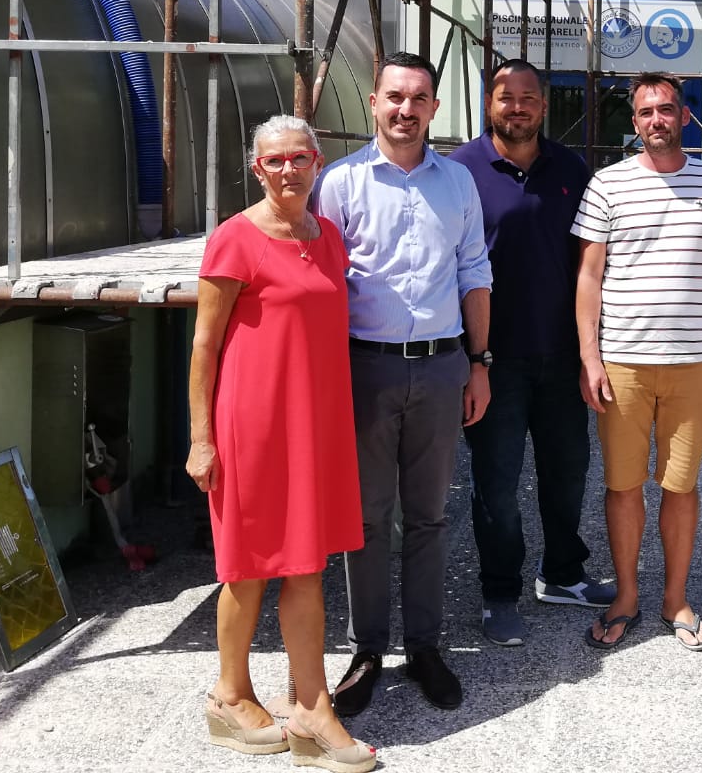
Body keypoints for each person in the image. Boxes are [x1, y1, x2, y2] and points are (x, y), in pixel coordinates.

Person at [186, 115, 374, 773]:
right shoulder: (234, 240)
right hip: (252, 426)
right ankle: (230, 696)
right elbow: (204, 346)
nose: (288, 169)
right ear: (257, 169)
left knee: (307, 564)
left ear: (317, 162)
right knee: (248, 565)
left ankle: (309, 709)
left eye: (298, 157)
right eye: (274, 161)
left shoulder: (326, 238)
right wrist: (200, 439)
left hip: (313, 426)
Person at [314, 53, 493, 716]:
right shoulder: (339, 184)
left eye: (419, 98)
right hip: (366, 367)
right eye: (395, 96)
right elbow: (323, 283)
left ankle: (424, 647)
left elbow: (474, 271)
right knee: (365, 518)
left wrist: (480, 362)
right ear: (373, 101)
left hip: (444, 365)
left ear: (434, 109)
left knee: (429, 515)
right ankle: (367, 651)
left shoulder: (457, 184)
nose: (405, 109)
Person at [449, 60, 614, 648]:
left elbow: (591, 264)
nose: (516, 107)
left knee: (567, 474)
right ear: (489, 103)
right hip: (494, 359)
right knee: (496, 483)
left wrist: (591, 351)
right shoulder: (459, 171)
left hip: (561, 355)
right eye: (505, 97)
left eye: (528, 98)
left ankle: (563, 574)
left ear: (544, 106)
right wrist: (474, 358)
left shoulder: (571, 169)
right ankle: (500, 593)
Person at [572, 72, 702, 653]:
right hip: (623, 363)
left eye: (666, 110)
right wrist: (589, 356)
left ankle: (675, 598)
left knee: (681, 486)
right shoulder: (607, 185)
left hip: (693, 362)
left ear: (685, 116)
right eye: (645, 113)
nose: (656, 121)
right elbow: (589, 276)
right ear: (634, 122)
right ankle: (626, 596)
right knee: (622, 487)